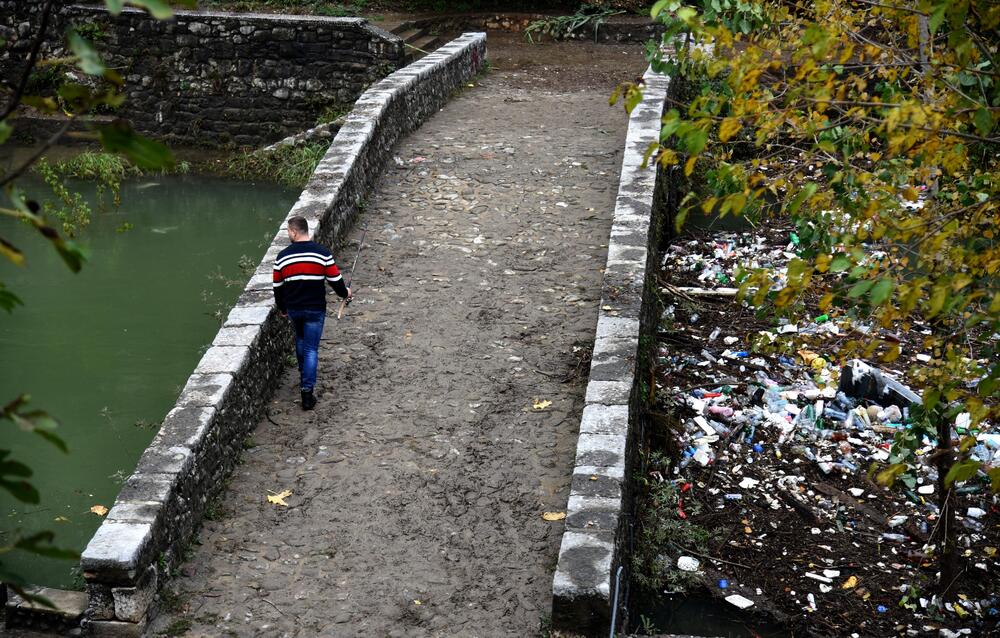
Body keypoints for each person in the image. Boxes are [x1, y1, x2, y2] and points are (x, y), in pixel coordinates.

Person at [272, 215, 351, 410]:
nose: (288, 234)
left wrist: (282, 309)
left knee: (300, 339)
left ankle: (303, 372)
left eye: (288, 231)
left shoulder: (282, 257)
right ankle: (307, 394)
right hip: (315, 308)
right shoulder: (322, 254)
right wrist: (345, 293)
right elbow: (335, 280)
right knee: (311, 349)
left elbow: (278, 288)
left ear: (294, 232)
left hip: (294, 309)